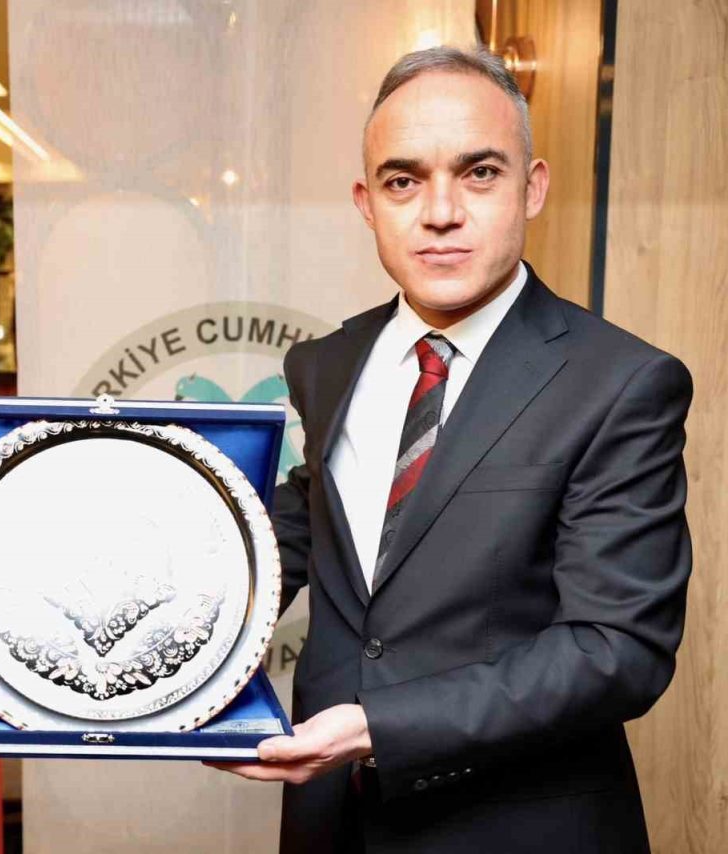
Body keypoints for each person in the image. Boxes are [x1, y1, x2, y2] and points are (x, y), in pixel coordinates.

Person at [213, 47, 693, 853]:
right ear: (367, 203)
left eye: (479, 173)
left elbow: (617, 652)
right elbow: (303, 531)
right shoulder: (327, 365)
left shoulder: (621, 383)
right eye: (403, 181)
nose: (440, 212)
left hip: (521, 829)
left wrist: (376, 727)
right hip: (331, 824)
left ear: (532, 187)